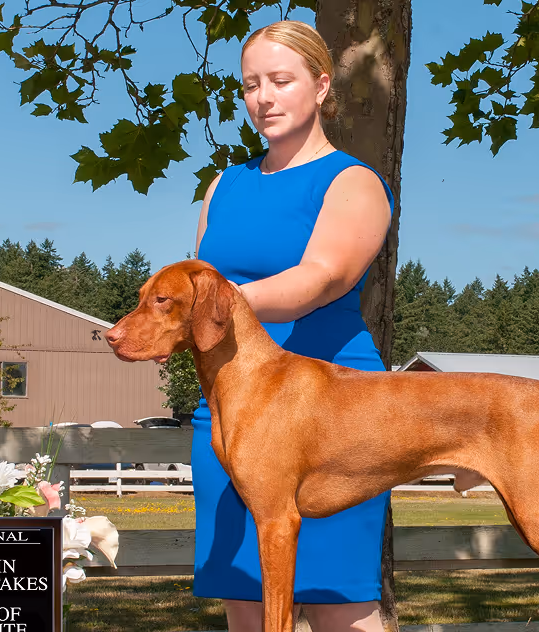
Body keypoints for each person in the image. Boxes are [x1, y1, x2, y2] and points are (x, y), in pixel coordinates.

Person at [190, 20, 394, 632]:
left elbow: (321, 279)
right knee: (247, 602)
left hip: (335, 416)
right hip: (229, 415)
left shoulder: (353, 181)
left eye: (281, 80)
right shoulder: (223, 184)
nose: (264, 97)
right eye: (251, 85)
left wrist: (222, 306)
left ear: (322, 85)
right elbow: (194, 286)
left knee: (341, 602)